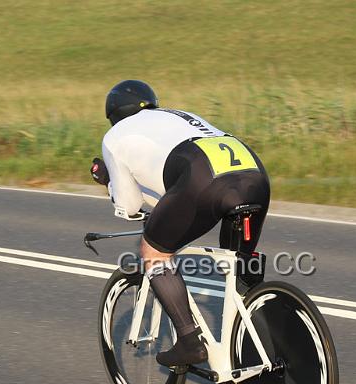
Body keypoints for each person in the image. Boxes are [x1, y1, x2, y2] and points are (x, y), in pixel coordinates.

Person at [90, 80, 270, 368]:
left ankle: (189, 342)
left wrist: (108, 179)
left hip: (203, 176)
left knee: (155, 253)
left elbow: (130, 206)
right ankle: (258, 336)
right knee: (240, 267)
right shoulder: (176, 116)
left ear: (113, 115)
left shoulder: (114, 136)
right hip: (252, 171)